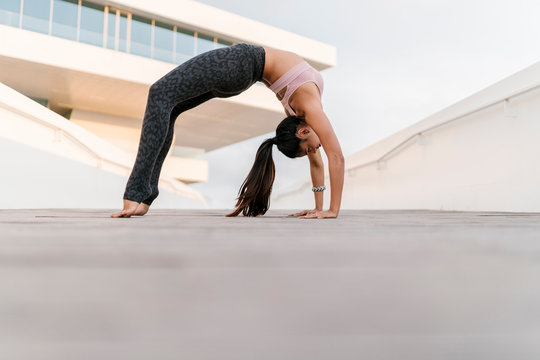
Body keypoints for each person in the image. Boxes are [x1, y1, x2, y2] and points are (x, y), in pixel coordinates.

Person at [111, 43, 344, 219]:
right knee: (168, 105)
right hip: (241, 68)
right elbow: (335, 157)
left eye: (310, 149)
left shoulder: (303, 115)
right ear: (302, 133)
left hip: (240, 64)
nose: (316, 149)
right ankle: (145, 196)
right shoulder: (310, 112)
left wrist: (323, 209)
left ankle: (135, 194)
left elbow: (319, 162)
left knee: (160, 94)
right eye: (311, 149)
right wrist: (329, 209)